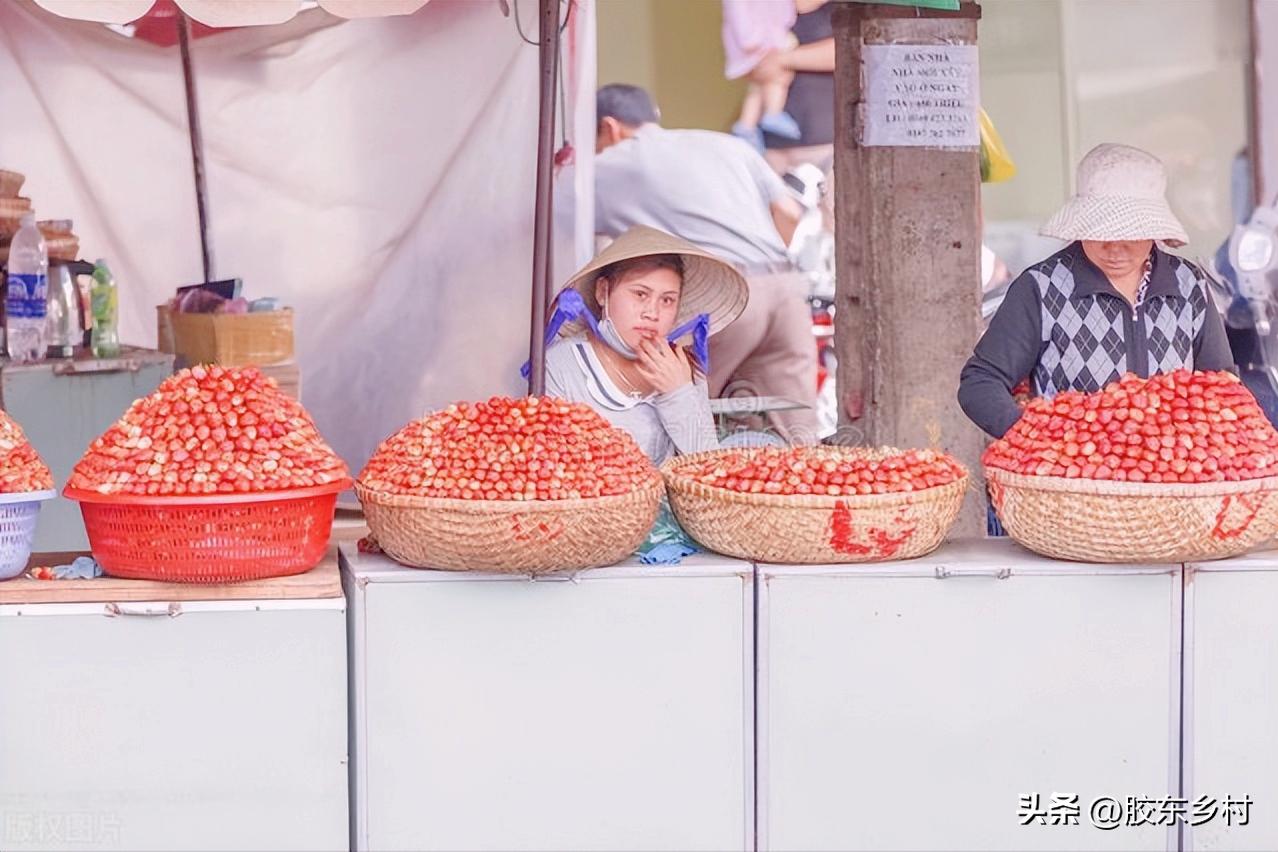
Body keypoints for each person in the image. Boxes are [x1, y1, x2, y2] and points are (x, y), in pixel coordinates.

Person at [593, 83, 819, 445]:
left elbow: (550, 229)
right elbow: (788, 212)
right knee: (794, 431)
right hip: (784, 286)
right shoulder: (726, 145)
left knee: (672, 412)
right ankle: (809, 499)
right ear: (655, 118)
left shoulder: (608, 164)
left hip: (724, 294)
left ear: (609, 128)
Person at [958, 143, 1235, 438]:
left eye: (1130, 234)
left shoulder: (1188, 284)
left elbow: (1220, 384)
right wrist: (1032, 439)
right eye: (1099, 233)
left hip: (1170, 472)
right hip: (1070, 475)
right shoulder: (1041, 287)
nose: (1114, 248)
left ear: (1155, 232)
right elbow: (981, 381)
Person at [543, 226, 749, 466]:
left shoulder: (683, 369)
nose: (652, 313)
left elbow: (707, 471)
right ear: (602, 292)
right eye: (640, 294)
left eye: (667, 300)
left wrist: (678, 393)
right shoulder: (563, 365)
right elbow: (552, 469)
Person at [721, 0, 802, 150]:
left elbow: (785, 13)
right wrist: (758, 40)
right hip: (756, 47)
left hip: (761, 43)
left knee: (757, 88)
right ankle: (773, 111)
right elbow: (742, 24)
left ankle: (746, 125)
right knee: (776, 77)